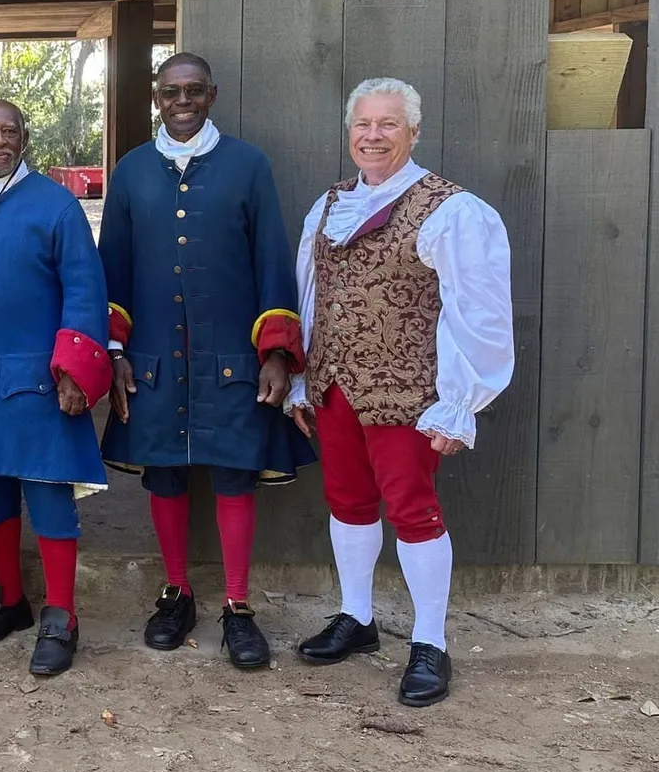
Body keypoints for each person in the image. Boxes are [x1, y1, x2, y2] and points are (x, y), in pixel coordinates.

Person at [288, 77, 514, 707]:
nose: (374, 135)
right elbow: (311, 295)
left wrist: (461, 399)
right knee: (348, 502)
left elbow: (481, 311)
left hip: (409, 391)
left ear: (414, 132)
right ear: (349, 131)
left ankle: (429, 642)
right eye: (364, 124)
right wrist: (307, 373)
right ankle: (357, 618)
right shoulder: (329, 205)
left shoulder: (450, 209)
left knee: (412, 510)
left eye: (389, 124)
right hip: (335, 386)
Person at [100, 52, 313, 669]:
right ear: (156, 98)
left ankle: (239, 607)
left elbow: (273, 258)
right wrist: (113, 349)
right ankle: (177, 594)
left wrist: (276, 352)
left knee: (233, 473)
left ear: (212, 95)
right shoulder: (133, 171)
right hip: (154, 358)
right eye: (171, 91)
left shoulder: (248, 166)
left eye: (194, 90)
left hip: (232, 358)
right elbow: (111, 267)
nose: (183, 100)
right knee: (164, 473)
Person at [0, 99, 111, 676]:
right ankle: (9, 598)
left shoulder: (56, 205)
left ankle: (62, 613)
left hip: (40, 381)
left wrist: (73, 371)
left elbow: (85, 292)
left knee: (49, 495)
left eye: (9, 131)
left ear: (25, 138)